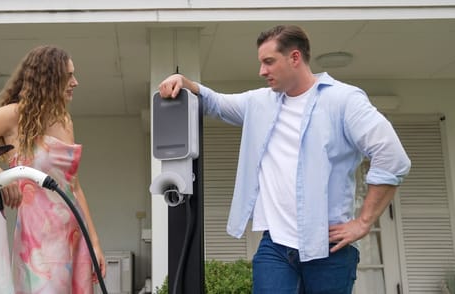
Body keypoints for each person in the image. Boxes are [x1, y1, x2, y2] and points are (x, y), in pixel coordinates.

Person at [157, 25, 411, 293]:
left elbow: (392, 157)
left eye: (269, 62)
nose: (262, 71)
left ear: (295, 58)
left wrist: (363, 222)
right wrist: (185, 82)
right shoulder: (260, 103)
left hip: (329, 248)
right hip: (275, 247)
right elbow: (215, 103)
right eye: (261, 63)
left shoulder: (344, 100)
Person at [0, 45, 105, 294]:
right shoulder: (14, 115)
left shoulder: (64, 120)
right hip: (38, 243)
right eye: (68, 75)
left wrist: (94, 242)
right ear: (49, 78)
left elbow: (74, 187)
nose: (76, 82)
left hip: (74, 237)